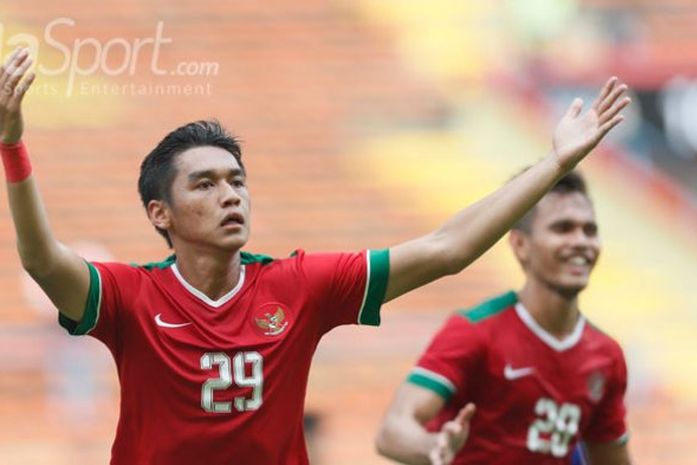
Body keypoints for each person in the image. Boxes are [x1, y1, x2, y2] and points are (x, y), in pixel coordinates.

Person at [0, 47, 629, 465]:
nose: (231, 195)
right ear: (158, 214)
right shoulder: (131, 298)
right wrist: (13, 147)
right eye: (205, 184)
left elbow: (447, 249)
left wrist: (555, 163)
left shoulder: (300, 285)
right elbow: (42, 260)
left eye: (237, 180)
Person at [375, 172, 633, 465]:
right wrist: (433, 446)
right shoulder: (475, 332)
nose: (581, 241)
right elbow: (392, 431)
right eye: (563, 229)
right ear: (521, 244)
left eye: (590, 230)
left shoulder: (606, 357)